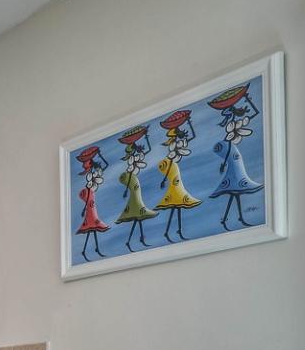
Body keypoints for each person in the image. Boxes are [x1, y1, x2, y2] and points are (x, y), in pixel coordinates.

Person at [207, 83, 264, 229]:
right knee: (235, 192)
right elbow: (226, 149)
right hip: (234, 165)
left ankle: (229, 219)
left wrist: (248, 99)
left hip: (235, 164)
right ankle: (232, 219)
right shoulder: (230, 133)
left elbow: (255, 113)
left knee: (235, 194)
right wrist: (224, 163)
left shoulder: (236, 128)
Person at [154, 109, 201, 242]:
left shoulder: (177, 147)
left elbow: (191, 137)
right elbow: (170, 162)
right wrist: (164, 179)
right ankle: (171, 231)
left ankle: (175, 230)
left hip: (175, 175)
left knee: (177, 205)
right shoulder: (173, 150)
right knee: (176, 204)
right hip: (173, 175)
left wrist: (190, 123)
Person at [112, 125, 159, 249]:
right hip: (133, 186)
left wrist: (147, 137)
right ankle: (136, 239)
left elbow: (147, 150)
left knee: (137, 218)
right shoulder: (131, 164)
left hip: (135, 185)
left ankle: (132, 240)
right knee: (137, 215)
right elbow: (131, 172)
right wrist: (125, 190)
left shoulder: (135, 159)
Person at [73, 144, 110, 260]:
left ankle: (88, 250)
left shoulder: (94, 175)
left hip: (91, 202)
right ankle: (92, 249)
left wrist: (99, 154)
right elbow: (89, 192)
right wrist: (84, 208)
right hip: (90, 203)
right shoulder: (91, 179)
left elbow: (106, 165)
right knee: (92, 225)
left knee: (92, 227)